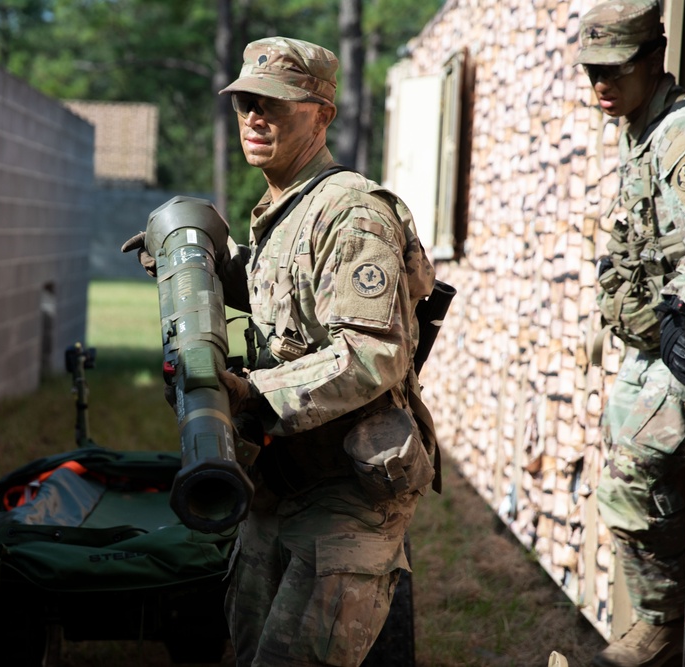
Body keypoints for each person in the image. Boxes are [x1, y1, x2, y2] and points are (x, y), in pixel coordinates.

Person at [124, 36, 438, 666]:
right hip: (279, 480)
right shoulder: (283, 207)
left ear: (321, 114)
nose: (254, 118)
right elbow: (287, 293)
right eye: (244, 104)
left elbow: (373, 353)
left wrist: (251, 391)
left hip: (345, 492)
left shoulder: (350, 212)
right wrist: (199, 260)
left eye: (275, 104)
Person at [579, 2, 685, 666]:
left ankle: (660, 625)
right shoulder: (639, 126)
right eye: (591, 73)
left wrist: (679, 314)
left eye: (614, 71)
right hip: (641, 342)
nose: (600, 86)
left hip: (675, 340)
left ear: (654, 58)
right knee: (623, 473)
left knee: (635, 466)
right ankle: (657, 620)